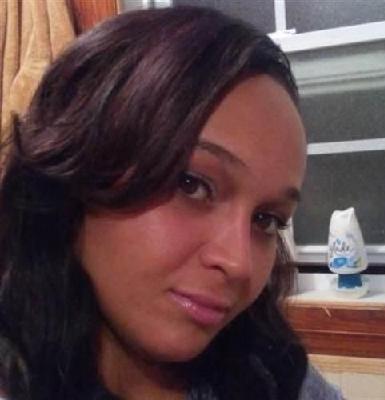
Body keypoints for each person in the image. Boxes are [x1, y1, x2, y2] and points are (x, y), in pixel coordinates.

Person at [0, 6, 343, 400]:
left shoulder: (274, 375)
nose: (240, 264)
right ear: (78, 165)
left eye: (266, 219)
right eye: (191, 184)